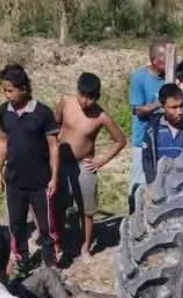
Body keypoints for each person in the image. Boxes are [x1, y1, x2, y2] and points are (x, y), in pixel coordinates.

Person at [0, 64, 61, 269]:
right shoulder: (4, 111)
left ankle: (51, 263)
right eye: (4, 90)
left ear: (23, 88)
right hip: (14, 179)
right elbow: (3, 141)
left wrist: (54, 177)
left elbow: (53, 146)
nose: (6, 95)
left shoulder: (42, 112)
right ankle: (22, 259)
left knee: (46, 225)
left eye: (10, 90)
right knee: (16, 224)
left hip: (40, 180)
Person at [55, 72, 126, 262]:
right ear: (77, 91)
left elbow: (120, 141)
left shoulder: (101, 117)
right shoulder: (66, 102)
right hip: (62, 163)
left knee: (87, 210)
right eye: (82, 95)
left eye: (90, 98)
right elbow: (55, 125)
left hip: (84, 166)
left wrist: (100, 161)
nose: (85, 101)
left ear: (97, 97)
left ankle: (85, 246)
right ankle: (59, 243)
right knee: (59, 205)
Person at [129, 40, 170, 212]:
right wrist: (161, 103)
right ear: (155, 60)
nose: (169, 63)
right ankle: (133, 216)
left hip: (164, 140)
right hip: (143, 140)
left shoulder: (171, 78)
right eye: (165, 58)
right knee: (140, 182)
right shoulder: (139, 78)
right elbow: (138, 110)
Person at [142, 84, 183, 184]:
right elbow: (147, 160)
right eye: (173, 107)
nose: (179, 111)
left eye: (181, 106)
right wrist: (152, 183)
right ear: (162, 107)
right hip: (161, 186)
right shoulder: (152, 131)